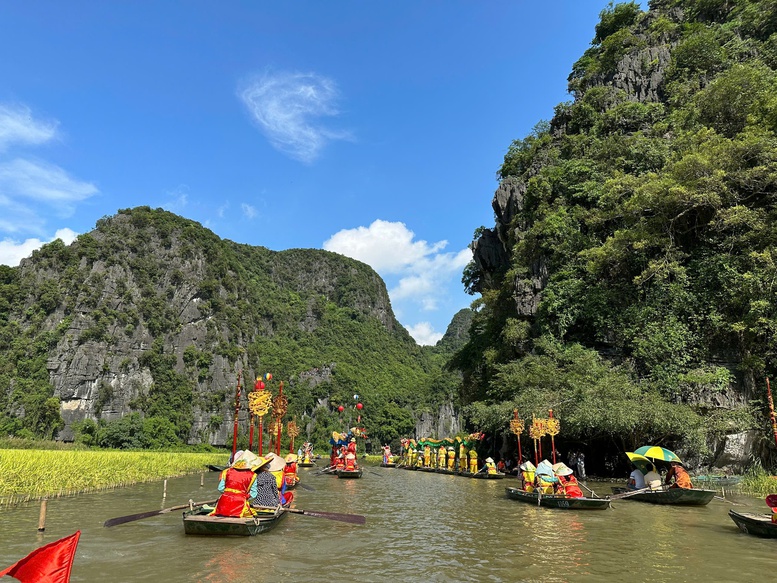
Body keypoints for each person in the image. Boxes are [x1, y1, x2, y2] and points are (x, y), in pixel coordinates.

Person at [212, 450, 268, 517]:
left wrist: (228, 494)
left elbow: (220, 488)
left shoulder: (226, 471)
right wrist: (245, 497)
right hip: (240, 504)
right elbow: (253, 494)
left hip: (223, 503)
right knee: (253, 514)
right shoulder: (252, 475)